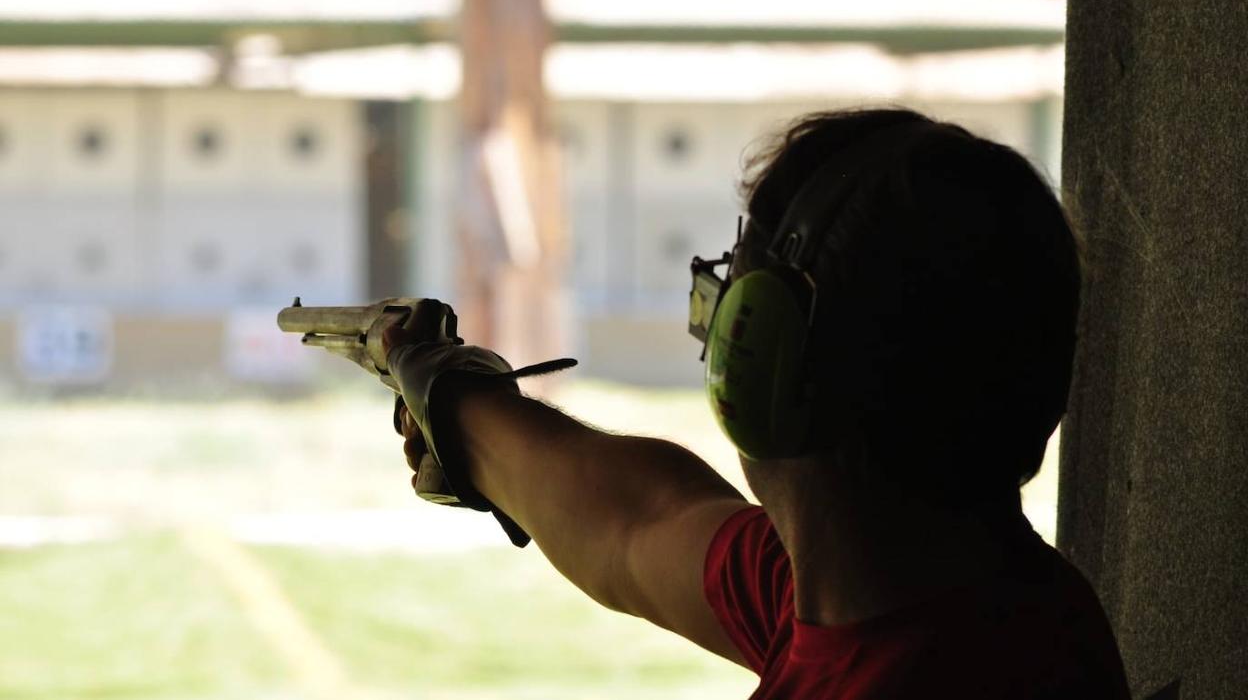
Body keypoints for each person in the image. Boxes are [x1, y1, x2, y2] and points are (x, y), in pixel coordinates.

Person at [382, 108, 1131, 698]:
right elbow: (635, 523)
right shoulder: (941, 595)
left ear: (769, 356)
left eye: (734, 298)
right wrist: (453, 396)